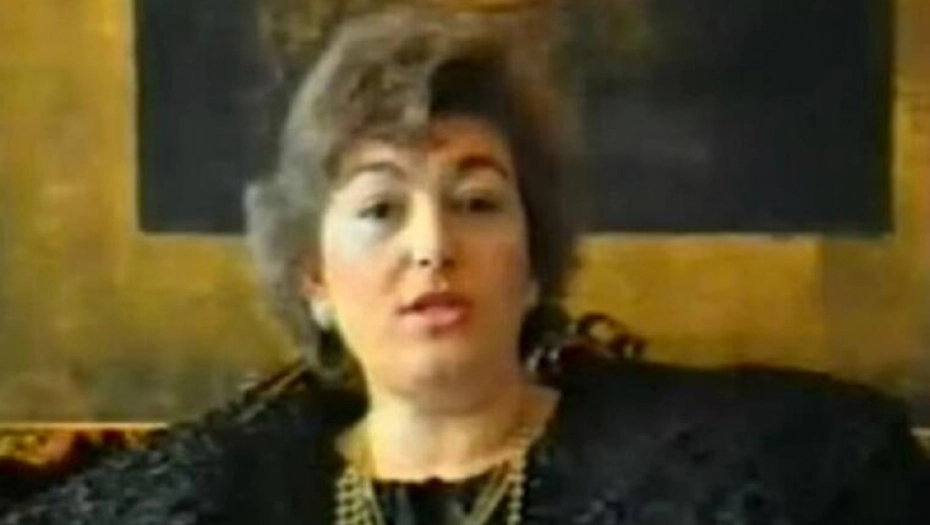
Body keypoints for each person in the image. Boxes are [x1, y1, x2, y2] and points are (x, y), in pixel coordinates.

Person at [1, 7, 925, 525]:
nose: (433, 246)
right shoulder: (222, 493)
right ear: (314, 277)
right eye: (380, 208)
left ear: (534, 262)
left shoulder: (740, 471)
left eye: (477, 201)